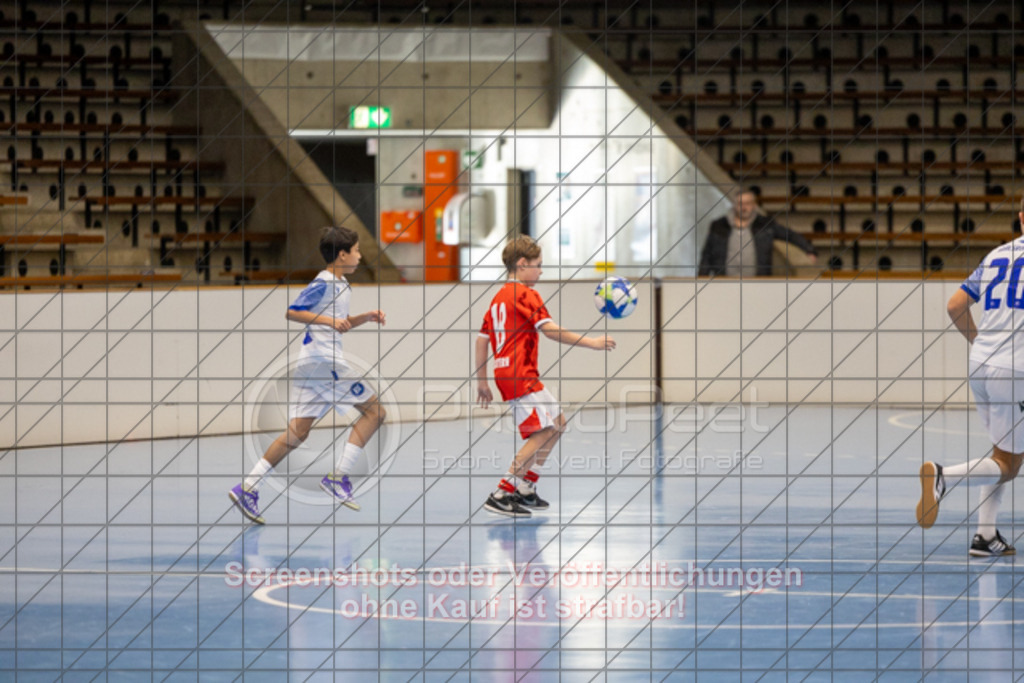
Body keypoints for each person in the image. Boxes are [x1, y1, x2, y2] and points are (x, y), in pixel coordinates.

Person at [229, 226, 386, 524]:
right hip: (325, 364)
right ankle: (338, 478)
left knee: (298, 432)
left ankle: (248, 486)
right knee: (376, 413)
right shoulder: (324, 282)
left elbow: (340, 323)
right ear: (342, 255)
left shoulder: (341, 285)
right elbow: (292, 311)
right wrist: (328, 320)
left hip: (312, 366)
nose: (359, 256)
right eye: (356, 251)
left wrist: (365, 317)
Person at [475, 236, 616, 517]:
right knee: (543, 431)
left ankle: (526, 486)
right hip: (519, 374)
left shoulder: (498, 298)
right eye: (538, 266)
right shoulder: (526, 294)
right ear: (522, 264)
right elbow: (550, 331)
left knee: (558, 422)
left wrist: (482, 380)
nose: (541, 272)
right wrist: (592, 342)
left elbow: (482, 340)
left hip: (510, 373)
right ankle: (502, 492)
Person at [918, 203, 1024, 556]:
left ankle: (985, 536)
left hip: (981, 363)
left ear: (1022, 218)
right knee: (1007, 466)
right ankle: (943, 476)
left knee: (1001, 454)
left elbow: (955, 306)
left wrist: (982, 345)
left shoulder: (997, 254)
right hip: (1015, 370)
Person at [698, 190, 817, 277]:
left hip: (758, 284)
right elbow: (707, 254)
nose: (744, 207)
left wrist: (808, 250)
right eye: (740, 203)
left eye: (748, 203)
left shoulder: (765, 225)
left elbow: (789, 235)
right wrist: (701, 280)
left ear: (754, 205)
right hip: (725, 284)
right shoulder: (718, 226)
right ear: (735, 206)